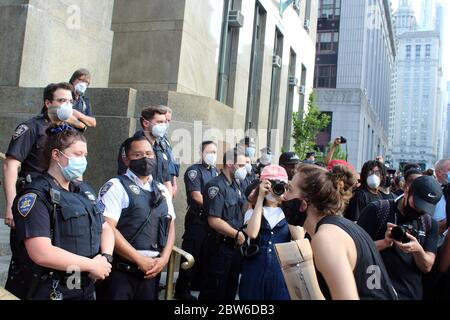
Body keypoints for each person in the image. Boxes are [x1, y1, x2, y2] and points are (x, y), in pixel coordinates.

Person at [5, 125, 114, 300]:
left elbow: (105, 227)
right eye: (77, 154)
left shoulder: (83, 191)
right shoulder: (36, 194)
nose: (83, 161)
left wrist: (106, 257)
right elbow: (41, 252)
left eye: (85, 155)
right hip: (51, 289)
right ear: (56, 155)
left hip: (83, 286)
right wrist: (92, 265)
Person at [282, 164, 397, 300]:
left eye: (289, 190)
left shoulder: (326, 238)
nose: (284, 196)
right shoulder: (341, 228)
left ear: (304, 204)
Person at [96, 136, 175, 300]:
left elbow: (170, 225)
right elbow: (107, 227)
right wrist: (138, 259)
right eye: (138, 155)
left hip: (151, 272)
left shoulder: (161, 189)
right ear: (126, 159)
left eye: (148, 153)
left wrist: (164, 258)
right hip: (121, 272)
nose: (145, 158)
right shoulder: (115, 186)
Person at [3, 83, 75, 229]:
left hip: (63, 200)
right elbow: (10, 165)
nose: (67, 105)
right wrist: (11, 204)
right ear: (48, 103)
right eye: (62, 101)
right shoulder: (31, 127)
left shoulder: (71, 133)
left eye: (70, 102)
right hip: (34, 197)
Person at [357, 175, 441, 300]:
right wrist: (384, 243)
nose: (419, 211)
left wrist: (417, 250)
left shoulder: (429, 223)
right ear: (406, 191)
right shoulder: (377, 210)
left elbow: (427, 266)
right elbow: (354, 250)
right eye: (416, 204)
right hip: (375, 290)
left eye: (424, 208)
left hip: (410, 293)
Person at [238, 165, 297, 300]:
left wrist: (288, 201)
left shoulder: (288, 213)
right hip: (254, 271)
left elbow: (298, 236)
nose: (274, 189)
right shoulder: (253, 212)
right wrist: (260, 198)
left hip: (280, 273)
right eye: (271, 184)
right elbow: (252, 233)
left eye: (280, 184)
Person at [198, 148, 247, 300]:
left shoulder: (236, 185)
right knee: (214, 291)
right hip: (219, 247)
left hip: (234, 248)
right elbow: (214, 220)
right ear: (230, 163)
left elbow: (242, 209)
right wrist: (237, 234)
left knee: (229, 291)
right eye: (241, 166)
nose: (243, 170)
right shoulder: (216, 186)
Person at [174, 141, 219, 300]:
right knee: (191, 253)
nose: (212, 155)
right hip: (197, 219)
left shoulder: (214, 171)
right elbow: (196, 196)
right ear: (201, 152)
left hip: (210, 221)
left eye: (215, 152)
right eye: (209, 151)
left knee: (205, 254)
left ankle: (196, 284)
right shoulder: (194, 171)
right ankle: (181, 290)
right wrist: (215, 206)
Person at [117, 105, 173, 196]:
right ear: (146, 123)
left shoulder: (162, 147)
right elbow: (125, 175)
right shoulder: (132, 146)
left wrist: (167, 203)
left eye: (164, 122)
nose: (163, 126)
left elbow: (167, 180)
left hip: (159, 200)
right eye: (159, 122)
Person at [162, 107, 179, 197]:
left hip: (169, 186)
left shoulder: (166, 142)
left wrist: (174, 184)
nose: (166, 123)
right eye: (165, 120)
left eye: (169, 121)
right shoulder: (141, 140)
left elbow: (173, 165)